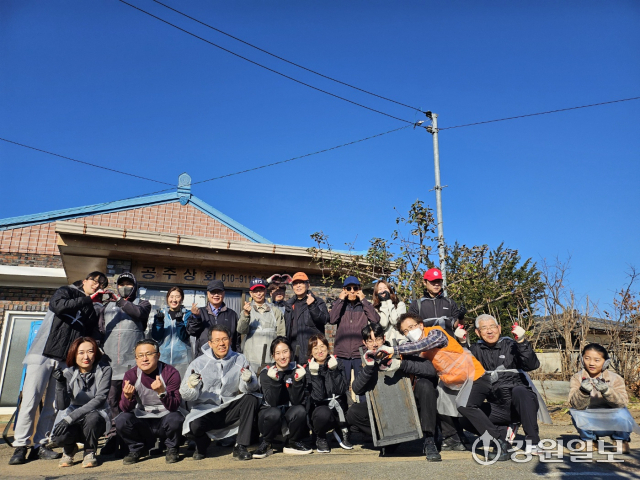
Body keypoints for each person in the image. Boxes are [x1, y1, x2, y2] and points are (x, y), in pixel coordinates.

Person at [9, 271, 107, 466]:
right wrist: (86, 299)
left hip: (65, 360)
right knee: (30, 399)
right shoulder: (65, 291)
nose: (96, 285)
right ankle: (20, 445)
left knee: (54, 404)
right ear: (85, 280)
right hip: (42, 353)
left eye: (101, 284)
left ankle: (40, 445)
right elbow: (58, 306)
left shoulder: (90, 307)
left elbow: (88, 332)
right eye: (94, 281)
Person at [383, 314, 511, 462]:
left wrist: (392, 349)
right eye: (405, 331)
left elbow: (423, 344)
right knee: (441, 404)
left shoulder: (436, 333)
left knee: (466, 406)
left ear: (421, 325)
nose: (410, 332)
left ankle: (500, 442)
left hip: (475, 377)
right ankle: (453, 438)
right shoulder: (421, 352)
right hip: (456, 384)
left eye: (411, 327)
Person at [346, 323, 443, 461]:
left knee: (425, 385)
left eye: (378, 339)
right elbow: (357, 389)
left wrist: (402, 364)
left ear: (384, 338)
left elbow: (430, 370)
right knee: (353, 413)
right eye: (370, 341)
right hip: (384, 409)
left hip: (408, 404)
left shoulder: (397, 351)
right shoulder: (366, 360)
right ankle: (390, 436)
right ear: (364, 343)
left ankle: (429, 439)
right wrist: (368, 368)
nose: (375, 344)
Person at [465, 314, 547, 453]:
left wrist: (521, 341)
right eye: (484, 328)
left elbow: (532, 365)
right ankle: (500, 434)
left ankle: (533, 441)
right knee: (463, 413)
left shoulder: (511, 345)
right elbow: (463, 368)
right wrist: (462, 343)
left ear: (499, 328)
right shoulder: (475, 350)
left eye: (492, 326)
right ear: (478, 332)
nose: (489, 331)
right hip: (497, 407)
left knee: (520, 391)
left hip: (521, 405)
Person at [180, 325, 260, 461]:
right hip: (205, 411)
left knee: (250, 399)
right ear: (210, 343)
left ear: (230, 340)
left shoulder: (240, 359)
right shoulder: (198, 363)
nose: (221, 344)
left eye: (224, 339)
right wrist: (191, 386)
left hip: (229, 408)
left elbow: (250, 388)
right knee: (194, 426)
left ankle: (241, 446)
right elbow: (186, 395)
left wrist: (248, 381)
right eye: (217, 340)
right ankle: (202, 444)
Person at [100, 272, 151, 456]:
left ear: (135, 286)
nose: (124, 287)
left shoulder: (143, 304)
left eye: (128, 283)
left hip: (132, 364)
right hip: (111, 362)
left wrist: (120, 301)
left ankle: (132, 438)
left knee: (132, 400)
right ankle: (114, 436)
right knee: (111, 401)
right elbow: (100, 328)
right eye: (121, 284)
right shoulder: (107, 306)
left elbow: (138, 314)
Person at [115, 339, 184, 465]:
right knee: (121, 420)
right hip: (143, 419)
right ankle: (137, 449)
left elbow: (174, 406)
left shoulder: (170, 373)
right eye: (140, 355)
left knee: (176, 418)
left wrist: (162, 393)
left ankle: (172, 448)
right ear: (136, 358)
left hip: (165, 417)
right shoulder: (131, 375)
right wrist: (128, 397)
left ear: (158, 355)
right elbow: (124, 409)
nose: (144, 359)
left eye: (149, 354)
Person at [50, 337, 111, 468]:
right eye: (81, 353)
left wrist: (69, 418)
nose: (86, 357)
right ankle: (69, 449)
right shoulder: (68, 373)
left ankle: (89, 451)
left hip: (96, 414)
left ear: (96, 353)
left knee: (92, 418)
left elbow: (100, 399)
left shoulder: (105, 370)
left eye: (90, 351)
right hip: (72, 415)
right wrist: (60, 384)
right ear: (74, 354)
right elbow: (61, 406)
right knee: (58, 437)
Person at [568, 343, 634, 454]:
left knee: (623, 412)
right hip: (590, 421)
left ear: (606, 362)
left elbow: (622, 403)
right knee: (575, 411)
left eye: (597, 360)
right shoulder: (577, 378)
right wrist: (583, 392)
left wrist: (607, 391)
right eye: (587, 358)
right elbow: (575, 405)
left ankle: (621, 441)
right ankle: (589, 441)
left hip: (611, 421)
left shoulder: (615, 378)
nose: (591, 363)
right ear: (582, 360)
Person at [252, 336, 311, 458]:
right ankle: (266, 443)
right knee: (274, 412)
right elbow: (272, 402)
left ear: (291, 352)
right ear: (273, 356)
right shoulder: (266, 373)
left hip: (290, 417)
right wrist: (275, 381)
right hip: (270, 419)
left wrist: (298, 382)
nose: (282, 356)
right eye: (278, 353)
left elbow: (297, 401)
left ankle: (292, 442)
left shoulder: (298, 370)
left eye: (285, 351)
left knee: (300, 410)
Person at [329, 276, 380, 388]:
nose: (352, 291)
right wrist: (340, 300)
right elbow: (332, 320)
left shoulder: (365, 304)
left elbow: (375, 320)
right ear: (344, 290)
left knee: (362, 387)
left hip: (360, 353)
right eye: (349, 288)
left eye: (355, 288)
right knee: (341, 387)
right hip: (342, 353)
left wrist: (363, 300)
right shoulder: (339, 304)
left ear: (359, 289)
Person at [305, 334, 352, 454]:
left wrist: (334, 371)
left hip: (339, 406)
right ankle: (320, 436)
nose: (320, 350)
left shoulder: (337, 363)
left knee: (353, 413)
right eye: (315, 348)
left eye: (322, 346)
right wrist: (315, 375)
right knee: (323, 414)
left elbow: (342, 389)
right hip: (321, 409)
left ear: (327, 347)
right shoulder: (308, 369)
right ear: (311, 352)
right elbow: (318, 397)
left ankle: (340, 429)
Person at [238, 278, 286, 372]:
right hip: (250, 358)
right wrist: (246, 315)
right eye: (255, 291)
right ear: (251, 293)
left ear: (265, 291)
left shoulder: (275, 311)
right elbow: (241, 330)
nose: (258, 294)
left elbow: (281, 335)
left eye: (261, 290)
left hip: (271, 359)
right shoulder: (247, 310)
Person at [284, 272, 330, 362]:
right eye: (295, 283)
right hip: (295, 352)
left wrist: (312, 306)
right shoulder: (289, 305)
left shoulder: (317, 302)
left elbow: (324, 320)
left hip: (313, 350)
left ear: (308, 285)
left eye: (301, 283)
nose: (298, 286)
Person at [187, 280, 240, 356]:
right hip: (204, 356)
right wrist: (196, 317)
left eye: (219, 292)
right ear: (208, 294)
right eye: (213, 292)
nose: (216, 295)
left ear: (223, 293)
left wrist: (238, 356)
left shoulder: (232, 314)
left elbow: (236, 339)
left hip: (227, 357)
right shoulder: (200, 312)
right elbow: (191, 332)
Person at [150, 286, 193, 377]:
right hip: (163, 358)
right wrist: (159, 322)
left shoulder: (187, 314)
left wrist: (179, 322)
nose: (174, 300)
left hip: (182, 359)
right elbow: (156, 336)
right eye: (171, 296)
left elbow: (184, 336)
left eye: (177, 296)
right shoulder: (161, 314)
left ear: (182, 299)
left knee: (181, 384)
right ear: (167, 298)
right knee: (163, 383)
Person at [408, 268, 463, 336]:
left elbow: (456, 326)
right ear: (425, 282)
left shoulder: (450, 303)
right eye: (433, 281)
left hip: (448, 341)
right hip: (427, 342)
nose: (436, 284)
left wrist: (460, 317)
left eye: (439, 281)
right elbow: (412, 327)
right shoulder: (417, 305)